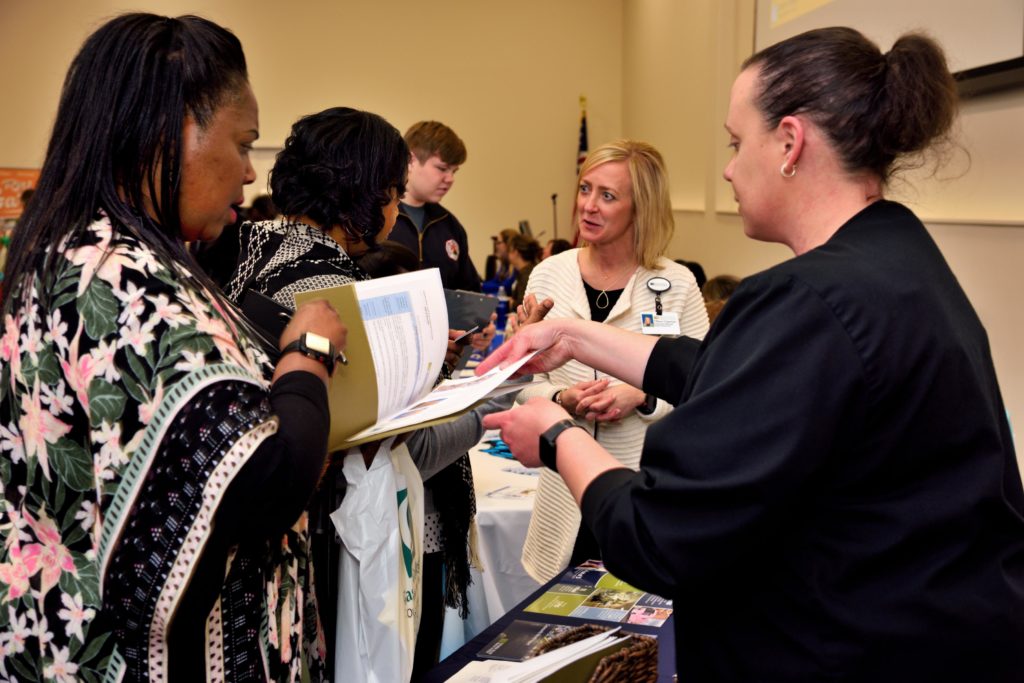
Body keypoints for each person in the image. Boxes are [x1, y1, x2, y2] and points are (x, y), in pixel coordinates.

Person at [479, 27, 1024, 680]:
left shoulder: (808, 298)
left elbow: (659, 536)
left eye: (738, 144)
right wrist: (572, 335)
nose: (730, 169)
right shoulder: (895, 258)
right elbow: (740, 380)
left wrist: (559, 434)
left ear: (790, 142)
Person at [0, 13, 346, 681]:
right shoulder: (116, 274)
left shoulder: (81, 249)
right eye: (243, 144)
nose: (250, 173)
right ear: (173, 131)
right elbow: (262, 480)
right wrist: (308, 354)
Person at [223, 107, 505, 679]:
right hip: (325, 548)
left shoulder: (246, 249)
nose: (398, 208)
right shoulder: (341, 297)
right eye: (393, 192)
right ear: (363, 194)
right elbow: (397, 452)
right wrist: (494, 404)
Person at [513, 139, 709, 583]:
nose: (589, 207)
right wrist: (561, 396)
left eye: (608, 196)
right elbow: (520, 381)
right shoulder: (548, 275)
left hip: (642, 489)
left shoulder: (675, 284)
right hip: (564, 491)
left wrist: (642, 396)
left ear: (640, 207)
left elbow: (707, 389)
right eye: (585, 189)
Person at [390, 120, 482, 291]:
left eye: (454, 171)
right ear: (410, 161)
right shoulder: (376, 219)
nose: (450, 179)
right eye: (442, 168)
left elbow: (469, 291)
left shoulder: (450, 225)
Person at [505, 232, 541, 308]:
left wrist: (511, 303)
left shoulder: (527, 274)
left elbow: (522, 304)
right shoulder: (529, 270)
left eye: (509, 250)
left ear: (516, 252)